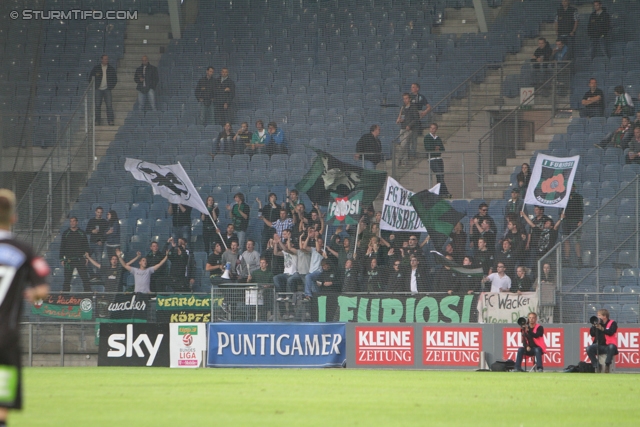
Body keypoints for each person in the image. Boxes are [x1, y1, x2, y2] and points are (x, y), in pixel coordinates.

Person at [0, 189, 50, 425]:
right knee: (2, 404)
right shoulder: (23, 250)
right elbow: (42, 288)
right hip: (6, 336)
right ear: (14, 217)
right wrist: (31, 292)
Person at [60, 217, 91, 292]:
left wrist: (87, 258)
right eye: (71, 221)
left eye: (74, 221)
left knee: (85, 278)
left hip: (80, 259)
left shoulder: (82, 233)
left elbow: (86, 246)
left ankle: (88, 295)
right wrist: (62, 259)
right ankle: (65, 297)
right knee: (67, 279)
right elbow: (62, 246)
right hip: (69, 260)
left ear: (77, 222)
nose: (72, 223)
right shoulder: (66, 233)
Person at [423, 123, 451, 197]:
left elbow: (442, 149)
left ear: (436, 129)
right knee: (439, 174)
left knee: (440, 176)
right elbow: (428, 148)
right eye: (431, 128)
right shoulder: (427, 137)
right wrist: (435, 148)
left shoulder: (438, 138)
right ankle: (445, 192)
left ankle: (440, 193)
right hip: (432, 159)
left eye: (434, 128)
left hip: (439, 159)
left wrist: (436, 148)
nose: (432, 129)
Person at [586, 308, 618, 373]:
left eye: (599, 315)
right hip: (599, 345)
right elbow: (592, 334)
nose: (598, 317)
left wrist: (602, 329)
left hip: (608, 346)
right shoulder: (597, 324)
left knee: (611, 347)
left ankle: (607, 365)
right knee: (589, 348)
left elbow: (611, 332)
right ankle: (596, 365)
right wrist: (593, 326)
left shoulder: (612, 323)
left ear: (604, 316)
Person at [88, 54, 117, 125]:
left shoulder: (111, 68)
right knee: (97, 106)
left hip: (107, 89)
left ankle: (110, 120)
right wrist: (95, 86)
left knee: (109, 106)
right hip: (98, 90)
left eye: (107, 59)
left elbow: (115, 79)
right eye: (105, 59)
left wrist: (110, 87)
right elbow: (90, 78)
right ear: (102, 59)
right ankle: (97, 121)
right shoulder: (96, 68)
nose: (107, 60)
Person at [273, 230, 300, 301]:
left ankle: (290, 296)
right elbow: (276, 253)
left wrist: (279, 241)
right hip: (286, 273)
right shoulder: (285, 252)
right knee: (276, 278)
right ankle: (281, 295)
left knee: (289, 280)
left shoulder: (294, 251)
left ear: (292, 244)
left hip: (294, 273)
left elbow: (286, 249)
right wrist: (276, 243)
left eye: (288, 243)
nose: (286, 244)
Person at [396, 92, 421, 163]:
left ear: (409, 99)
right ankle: (405, 160)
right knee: (404, 145)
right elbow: (401, 116)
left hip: (409, 129)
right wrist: (399, 120)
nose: (405, 100)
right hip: (402, 127)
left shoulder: (413, 107)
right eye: (404, 99)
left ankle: (399, 158)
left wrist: (409, 125)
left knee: (404, 144)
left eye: (406, 98)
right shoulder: (403, 107)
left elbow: (416, 119)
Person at [562, 187, 583, 267]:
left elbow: (581, 209)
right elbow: (561, 207)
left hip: (575, 220)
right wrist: (561, 214)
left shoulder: (578, 197)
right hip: (566, 221)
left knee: (576, 240)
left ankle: (579, 258)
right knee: (566, 239)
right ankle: (566, 258)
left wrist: (580, 220)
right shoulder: (563, 196)